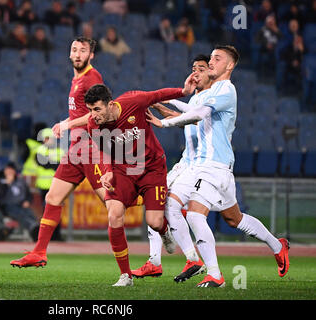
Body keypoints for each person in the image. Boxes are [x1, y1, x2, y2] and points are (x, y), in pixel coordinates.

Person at [146, 45, 290, 287]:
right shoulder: (206, 94)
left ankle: (214, 274)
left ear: (230, 65)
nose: (211, 61)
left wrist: (163, 123)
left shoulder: (227, 89)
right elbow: (192, 111)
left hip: (215, 167)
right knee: (233, 219)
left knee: (193, 214)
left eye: (217, 58)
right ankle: (278, 245)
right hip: (203, 167)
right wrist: (164, 103)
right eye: (211, 57)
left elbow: (198, 114)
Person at [83, 78, 196, 286]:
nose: (93, 115)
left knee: (154, 221)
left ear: (110, 103)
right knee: (114, 215)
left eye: (97, 109)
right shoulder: (93, 125)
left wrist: (183, 91)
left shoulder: (132, 102)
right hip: (123, 170)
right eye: (90, 110)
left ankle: (163, 231)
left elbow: (158, 94)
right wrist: (108, 171)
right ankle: (125, 275)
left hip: (152, 168)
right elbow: (104, 150)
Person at [10, 37, 106, 268]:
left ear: (91, 55)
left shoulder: (92, 77)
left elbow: (99, 112)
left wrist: (67, 125)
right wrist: (66, 122)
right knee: (52, 198)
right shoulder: (77, 79)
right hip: (76, 149)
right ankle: (39, 252)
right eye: (74, 49)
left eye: (83, 50)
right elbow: (82, 113)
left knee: (112, 203)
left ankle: (160, 222)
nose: (78, 54)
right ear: (69, 53)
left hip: (90, 148)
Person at [131, 54, 212, 280]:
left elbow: (190, 118)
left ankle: (195, 261)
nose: (196, 71)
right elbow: (184, 115)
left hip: (202, 167)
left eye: (202, 68)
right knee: (157, 202)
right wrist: (158, 104)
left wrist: (161, 111)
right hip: (187, 162)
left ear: (211, 72)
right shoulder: (196, 99)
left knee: (232, 217)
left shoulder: (213, 99)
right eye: (193, 68)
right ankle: (158, 261)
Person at [0, 162, 39, 241]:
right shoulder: (0, 182)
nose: (9, 172)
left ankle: (37, 228)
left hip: (21, 204)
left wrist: (27, 201)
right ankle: (33, 229)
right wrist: (7, 185)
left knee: (30, 214)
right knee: (20, 214)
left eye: (11, 170)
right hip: (8, 207)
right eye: (7, 170)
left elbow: (28, 194)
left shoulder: (21, 181)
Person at [34, 128, 64, 241]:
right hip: (44, 185)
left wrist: (51, 163)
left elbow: (60, 165)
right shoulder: (40, 150)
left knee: (56, 211)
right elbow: (45, 164)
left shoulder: (60, 151)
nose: (49, 141)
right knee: (46, 212)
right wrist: (54, 164)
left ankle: (57, 235)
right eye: (47, 138)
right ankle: (47, 236)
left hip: (57, 186)